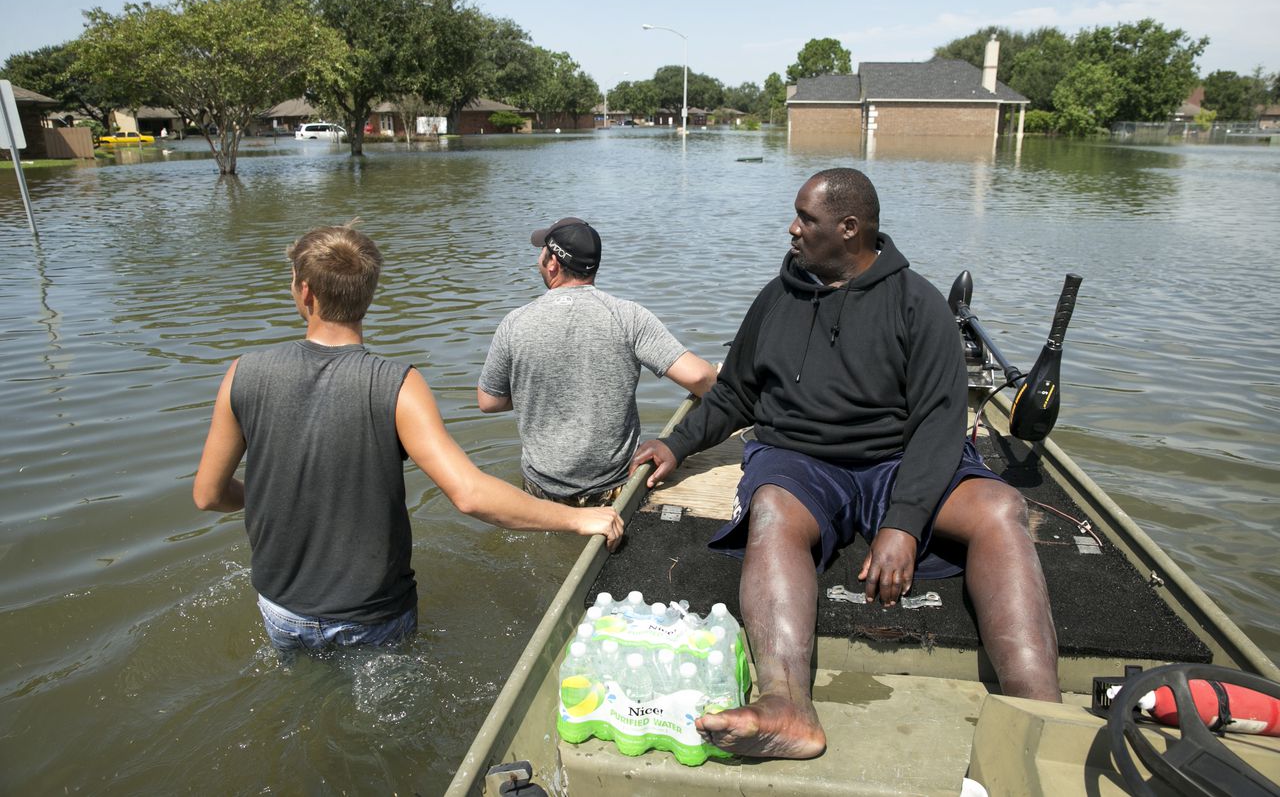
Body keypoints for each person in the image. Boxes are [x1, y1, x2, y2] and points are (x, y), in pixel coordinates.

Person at [631, 169, 1060, 759]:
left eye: (806, 219)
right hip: (801, 461)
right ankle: (787, 705)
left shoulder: (919, 304)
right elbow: (734, 393)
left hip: (897, 462)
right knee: (772, 510)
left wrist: (905, 522)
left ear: (850, 228)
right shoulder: (777, 297)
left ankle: (1039, 716)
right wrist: (676, 445)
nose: (792, 229)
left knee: (1000, 507)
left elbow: (940, 422)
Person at [193, 223, 623, 654]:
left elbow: (209, 495)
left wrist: (274, 493)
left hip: (281, 609)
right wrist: (578, 518)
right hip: (372, 615)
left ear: (305, 293)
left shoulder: (242, 374)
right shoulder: (397, 385)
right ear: (369, 293)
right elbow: (470, 495)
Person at [477, 217, 716, 506]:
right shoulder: (629, 317)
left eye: (541, 251)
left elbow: (489, 401)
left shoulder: (515, 323)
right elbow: (700, 378)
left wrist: (540, 390)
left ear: (552, 263)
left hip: (540, 491)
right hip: (612, 490)